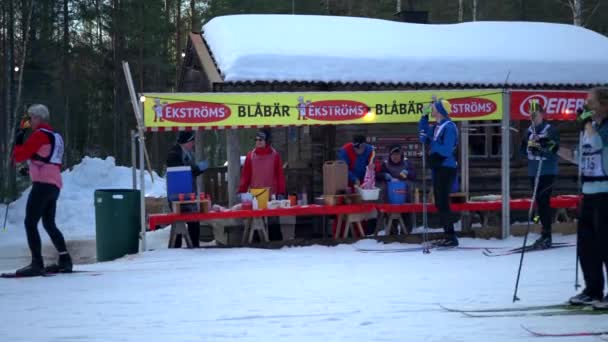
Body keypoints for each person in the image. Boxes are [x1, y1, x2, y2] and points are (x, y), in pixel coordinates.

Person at [559, 87, 608, 308]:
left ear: (604, 104)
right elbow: (582, 156)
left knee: (605, 243)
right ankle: (593, 289)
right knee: (586, 245)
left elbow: (598, 144)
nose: (586, 105)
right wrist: (552, 148)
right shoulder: (592, 128)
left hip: (605, 192)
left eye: (591, 102)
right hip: (588, 192)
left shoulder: (603, 128)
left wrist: (586, 123)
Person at [11, 104, 72, 276]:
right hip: (54, 183)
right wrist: (30, 169)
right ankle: (65, 259)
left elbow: (19, 156)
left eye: (30, 118)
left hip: (42, 185)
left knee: (30, 223)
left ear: (37, 118)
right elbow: (47, 158)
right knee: (48, 223)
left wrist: (19, 137)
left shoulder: (39, 135)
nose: (29, 121)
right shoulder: (56, 136)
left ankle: (36, 263)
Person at [419, 98, 459, 247]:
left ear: (441, 111)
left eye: (434, 108)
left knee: (442, 201)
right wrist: (423, 117)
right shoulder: (437, 126)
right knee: (439, 202)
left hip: (447, 167)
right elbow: (424, 134)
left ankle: (451, 236)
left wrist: (431, 143)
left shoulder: (449, 127)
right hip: (438, 166)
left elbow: (446, 149)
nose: (432, 109)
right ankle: (448, 234)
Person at [519, 102, 560, 249]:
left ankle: (547, 235)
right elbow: (522, 150)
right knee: (539, 201)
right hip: (533, 171)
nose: (533, 117)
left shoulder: (550, 130)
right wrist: (530, 149)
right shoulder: (528, 131)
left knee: (543, 201)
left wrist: (543, 149)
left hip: (547, 170)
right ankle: (543, 232)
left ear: (542, 114)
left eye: (535, 114)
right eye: (531, 115)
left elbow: (555, 149)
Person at [238, 129, 286, 240]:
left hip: (271, 195)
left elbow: (280, 176)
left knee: (273, 222)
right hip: (256, 196)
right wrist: (242, 191)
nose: (258, 141)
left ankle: (277, 245)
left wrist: (281, 192)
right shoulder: (250, 156)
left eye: (261, 139)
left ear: (267, 141)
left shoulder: (275, 155)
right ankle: (256, 246)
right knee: (256, 224)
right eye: (256, 139)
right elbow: (246, 176)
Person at [166, 131, 208, 248]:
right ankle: (176, 248)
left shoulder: (189, 153)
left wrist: (198, 169)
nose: (193, 143)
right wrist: (196, 168)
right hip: (177, 195)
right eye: (192, 141)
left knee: (194, 221)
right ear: (186, 142)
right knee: (179, 221)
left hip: (190, 194)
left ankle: (194, 246)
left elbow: (191, 171)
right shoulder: (174, 153)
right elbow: (180, 171)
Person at [376, 144, 417, 232]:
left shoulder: (407, 163)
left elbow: (414, 175)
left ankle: (406, 234)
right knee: (391, 217)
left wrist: (408, 173)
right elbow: (377, 175)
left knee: (406, 216)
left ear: (401, 155)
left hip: (405, 196)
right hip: (390, 197)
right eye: (393, 155)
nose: (395, 157)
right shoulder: (385, 164)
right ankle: (392, 234)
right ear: (390, 155)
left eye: (397, 154)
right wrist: (384, 175)